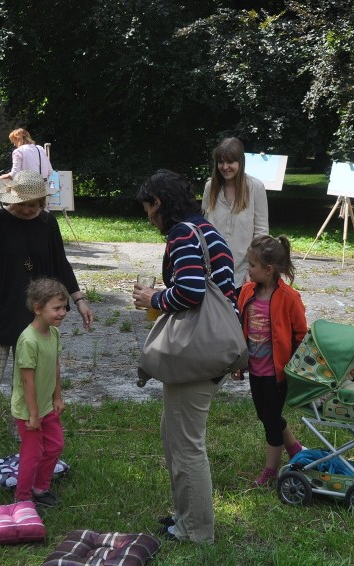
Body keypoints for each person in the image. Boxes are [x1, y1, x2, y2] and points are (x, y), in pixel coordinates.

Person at [131, 169, 236, 544]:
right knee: (173, 435)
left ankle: (196, 530)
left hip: (198, 350)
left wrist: (154, 299)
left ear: (158, 203)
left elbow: (191, 292)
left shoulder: (182, 233)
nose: (148, 216)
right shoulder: (204, 228)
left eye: (148, 208)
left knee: (186, 444)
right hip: (212, 345)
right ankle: (184, 517)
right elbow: (215, 288)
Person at [0, 170, 93, 460]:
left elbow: (61, 264)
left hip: (34, 318)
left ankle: (23, 433)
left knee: (30, 382)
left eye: (34, 205)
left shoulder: (48, 223)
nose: (27, 210)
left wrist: (80, 300)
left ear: (42, 202)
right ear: (12, 199)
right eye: (22, 205)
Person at [236, 235, 308, 486]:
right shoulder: (246, 292)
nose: (248, 269)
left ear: (268, 270)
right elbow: (240, 328)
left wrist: (296, 369)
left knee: (271, 420)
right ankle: (296, 448)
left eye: (252, 266)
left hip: (278, 374)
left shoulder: (289, 298)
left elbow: (301, 334)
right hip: (256, 370)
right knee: (266, 415)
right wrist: (238, 362)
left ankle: (271, 471)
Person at [12, 278, 68, 509]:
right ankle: (23, 497)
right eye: (56, 308)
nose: (63, 313)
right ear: (38, 309)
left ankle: (40, 488)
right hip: (29, 410)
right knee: (32, 454)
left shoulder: (53, 334)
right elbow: (27, 380)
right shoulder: (28, 340)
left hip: (46, 405)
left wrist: (57, 397)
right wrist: (33, 414)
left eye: (64, 307)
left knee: (55, 445)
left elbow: (55, 365)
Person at [202, 137, 269, 295]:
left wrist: (253, 269)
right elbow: (202, 228)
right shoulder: (210, 187)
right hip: (211, 271)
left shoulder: (256, 188)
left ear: (240, 162)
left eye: (230, 162)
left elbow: (261, 233)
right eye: (221, 162)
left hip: (242, 274)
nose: (225, 167)